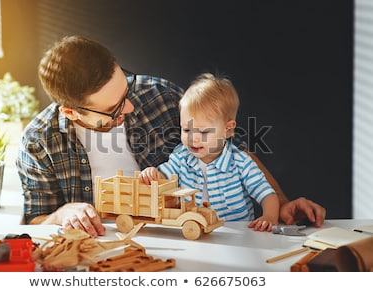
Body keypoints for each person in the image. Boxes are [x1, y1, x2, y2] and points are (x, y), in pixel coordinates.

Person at [16, 35, 326, 237]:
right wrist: (61, 214)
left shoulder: (159, 96)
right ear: (72, 112)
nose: (132, 105)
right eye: (114, 108)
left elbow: (233, 152)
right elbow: (34, 220)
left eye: (126, 88)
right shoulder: (39, 143)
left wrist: (281, 202)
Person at [139, 73, 279, 232]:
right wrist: (153, 174)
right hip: (195, 230)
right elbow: (164, 176)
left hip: (237, 235)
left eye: (203, 132)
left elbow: (267, 194)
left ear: (228, 129)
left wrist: (270, 216)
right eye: (186, 129)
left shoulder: (240, 161)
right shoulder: (181, 157)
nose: (193, 139)